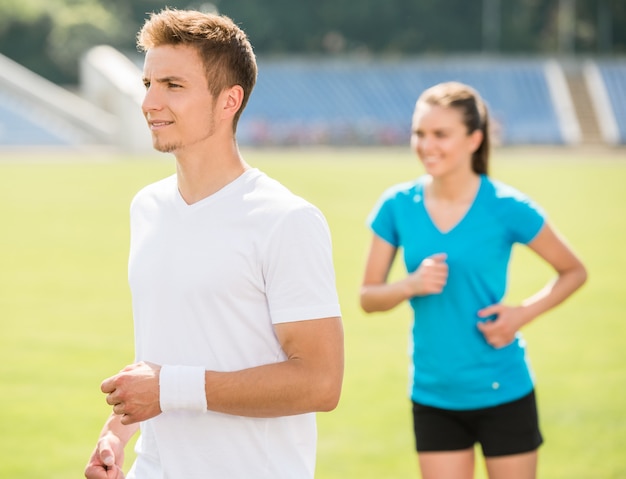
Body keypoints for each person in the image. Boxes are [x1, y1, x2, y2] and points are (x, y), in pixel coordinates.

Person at [84, 8, 344, 479]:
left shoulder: (286, 219)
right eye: (148, 84)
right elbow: (170, 350)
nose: (150, 102)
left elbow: (321, 382)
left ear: (229, 101)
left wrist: (168, 390)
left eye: (173, 86)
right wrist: (117, 431)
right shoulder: (147, 207)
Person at [360, 81, 587, 479]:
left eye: (440, 134)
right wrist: (409, 286)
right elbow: (368, 297)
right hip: (434, 394)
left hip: (504, 388)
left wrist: (520, 315)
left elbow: (573, 271)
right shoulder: (396, 206)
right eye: (420, 133)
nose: (426, 145)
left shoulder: (507, 207)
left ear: (474, 139)